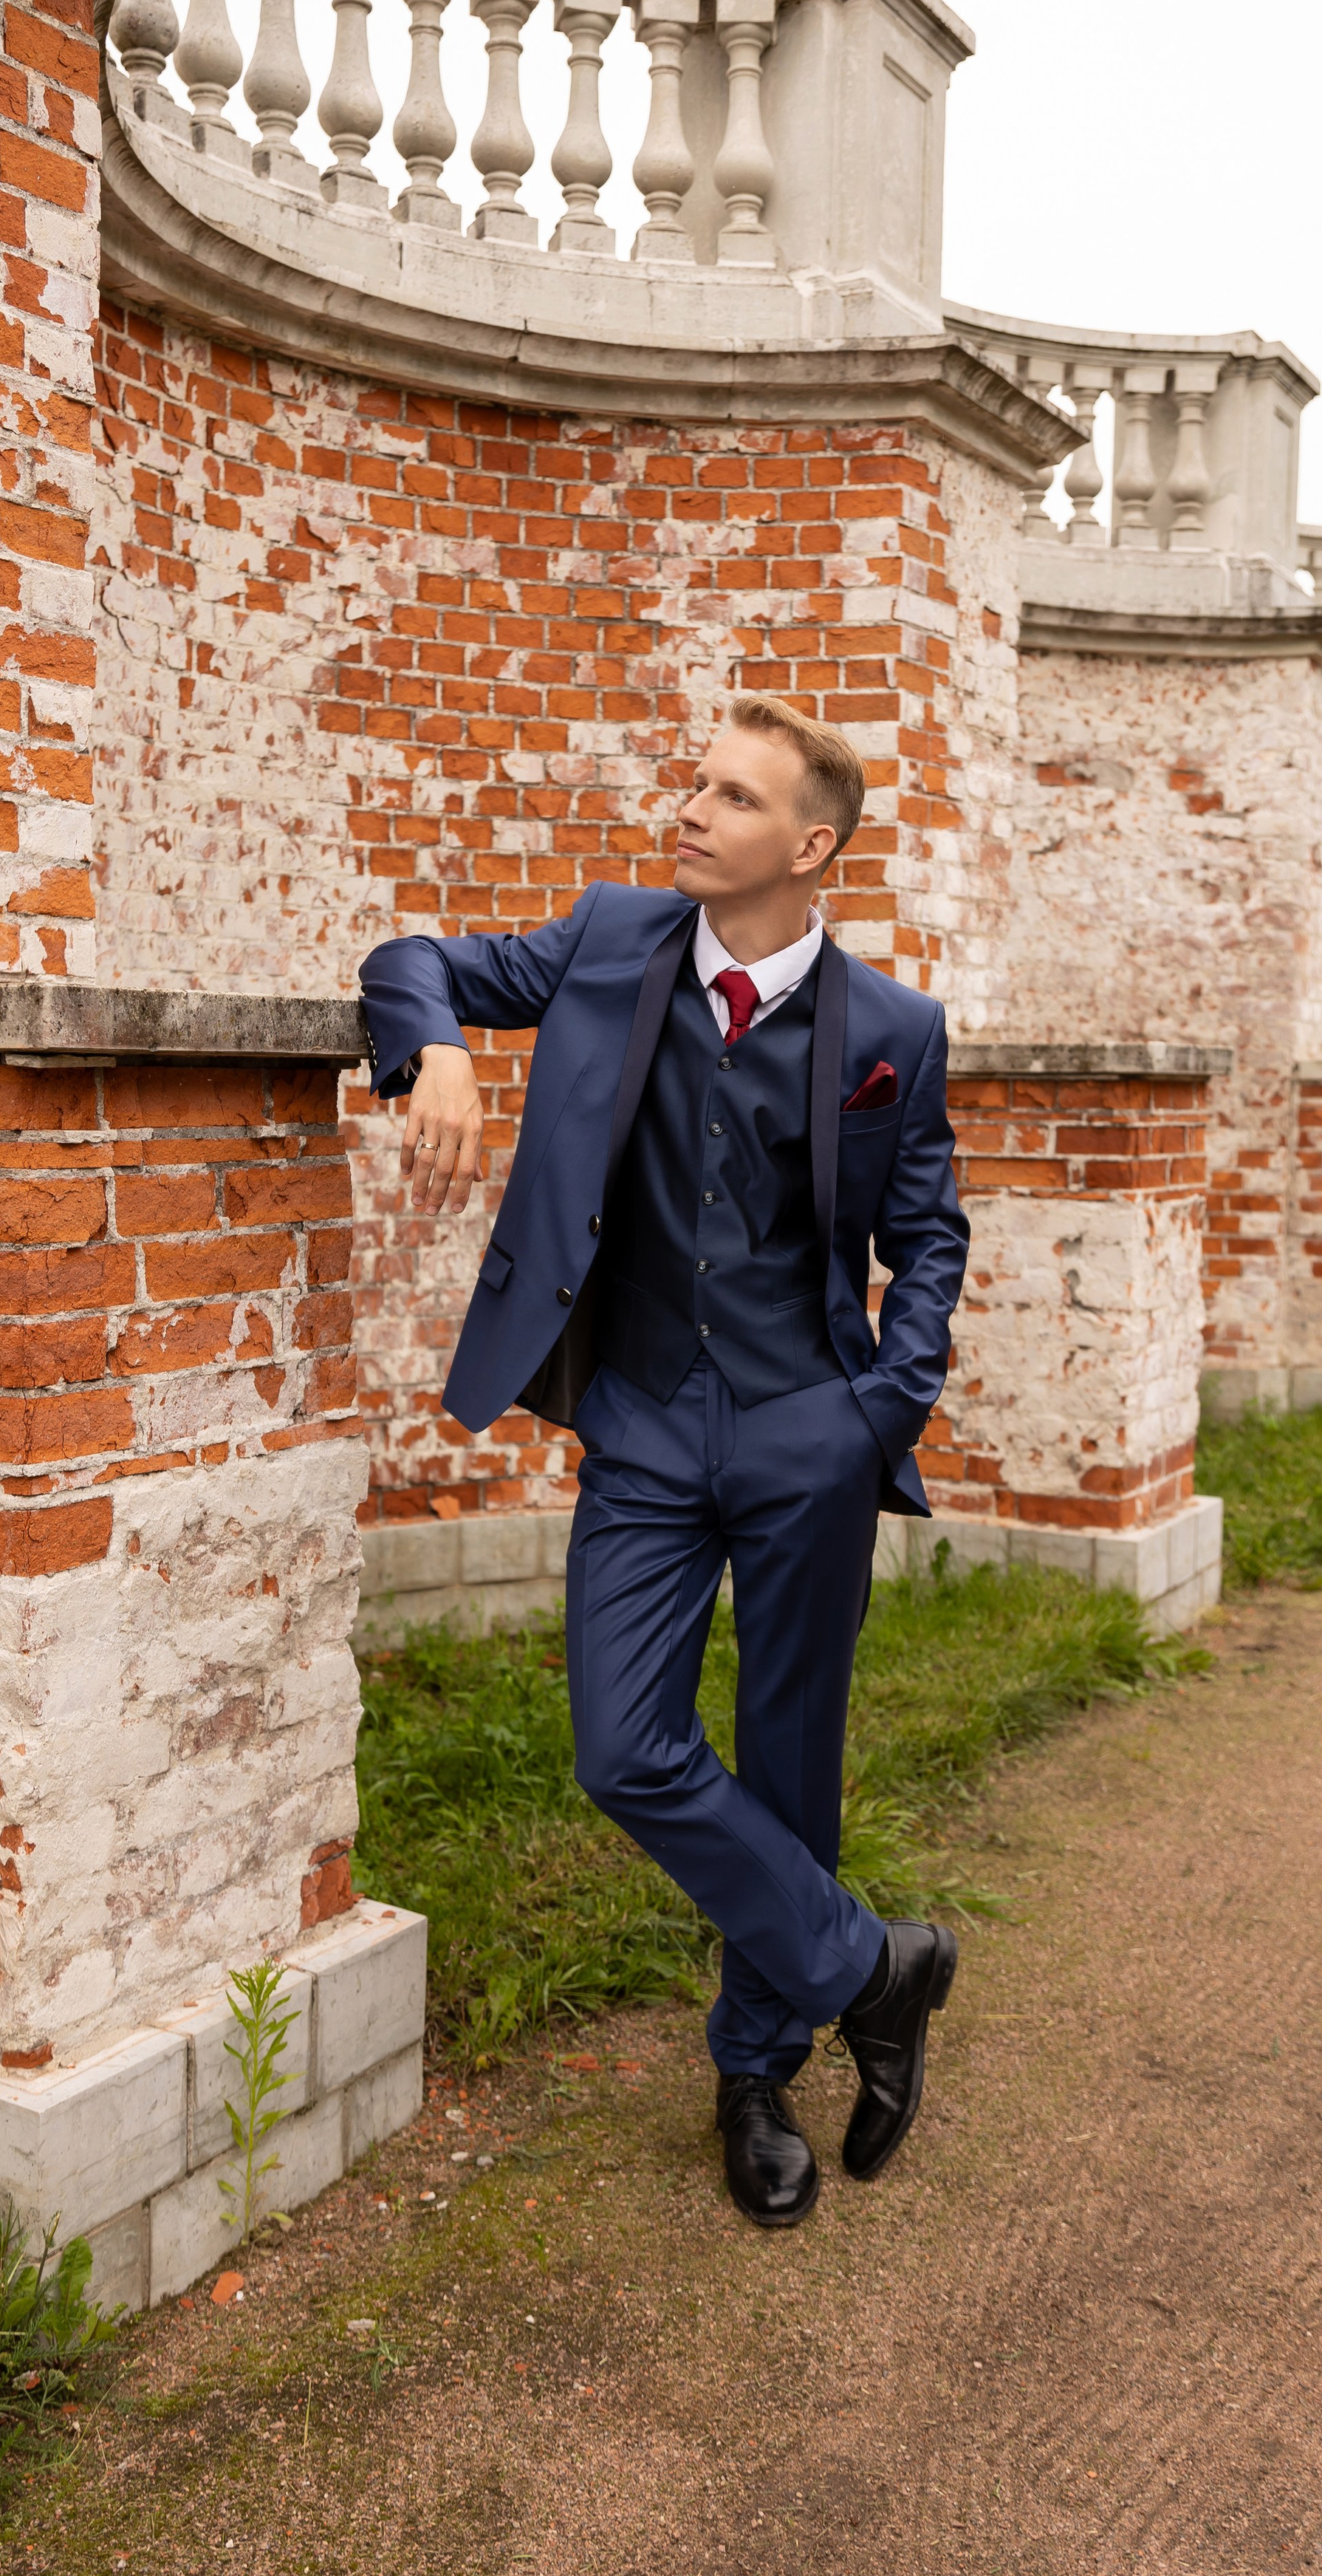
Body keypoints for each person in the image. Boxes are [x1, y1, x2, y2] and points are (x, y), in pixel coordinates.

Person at [359, 694, 970, 2227]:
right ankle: (871, 1970)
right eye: (692, 786)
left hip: (805, 1435)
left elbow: (930, 1239)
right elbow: (407, 960)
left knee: (787, 1756)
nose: (686, 811)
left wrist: (876, 1414)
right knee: (621, 1748)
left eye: (729, 796)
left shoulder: (888, 1031)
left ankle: (755, 2070)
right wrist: (433, 1051)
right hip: (639, 1419)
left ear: (808, 846)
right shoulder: (610, 940)